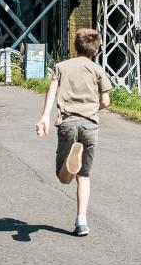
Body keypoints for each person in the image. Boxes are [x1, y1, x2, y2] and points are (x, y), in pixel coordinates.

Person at [35, 28, 112, 237]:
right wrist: (92, 109)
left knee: (63, 177)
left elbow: (52, 91)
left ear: (74, 46)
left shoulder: (61, 67)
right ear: (96, 50)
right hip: (90, 125)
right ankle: (81, 221)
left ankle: (70, 163)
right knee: (84, 176)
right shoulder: (97, 70)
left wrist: (44, 117)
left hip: (67, 123)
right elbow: (105, 101)